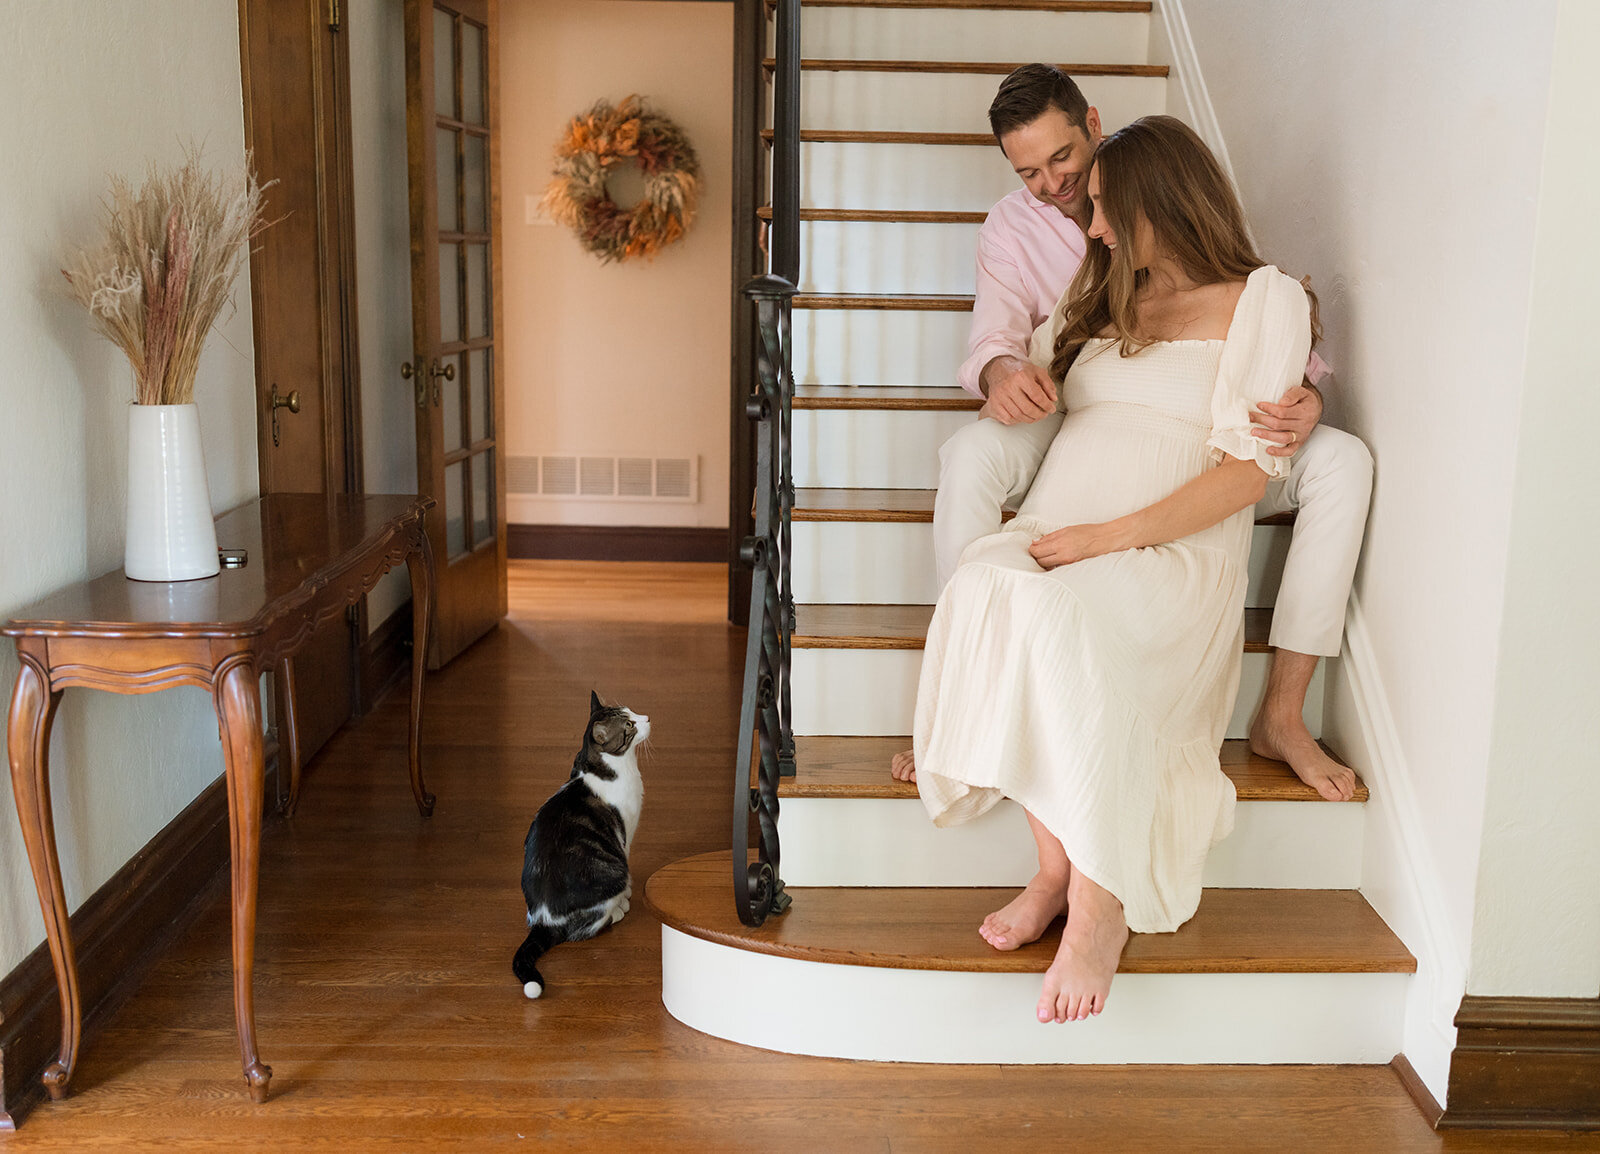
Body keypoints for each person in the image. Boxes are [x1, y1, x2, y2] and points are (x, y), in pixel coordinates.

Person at [912, 114, 1324, 1023]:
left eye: (1103, 207)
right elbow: (1020, 365)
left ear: (1159, 201)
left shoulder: (1265, 299)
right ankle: (1055, 867)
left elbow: (1252, 470)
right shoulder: (1104, 294)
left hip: (1167, 554)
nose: (1090, 227)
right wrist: (1009, 375)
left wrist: (1109, 538)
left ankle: (1100, 908)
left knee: (1065, 615)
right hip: (1063, 532)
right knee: (984, 583)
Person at [890, 66, 1373, 803]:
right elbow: (997, 338)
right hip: (1073, 409)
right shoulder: (1018, 228)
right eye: (1029, 172)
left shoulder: (1153, 185)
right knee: (969, 453)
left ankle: (1282, 713)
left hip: (1204, 424)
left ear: (1093, 125)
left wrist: (1305, 391)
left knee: (1342, 463)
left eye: (1062, 161)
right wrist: (1002, 373)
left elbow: (1242, 311)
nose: (1054, 186)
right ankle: (966, 693)